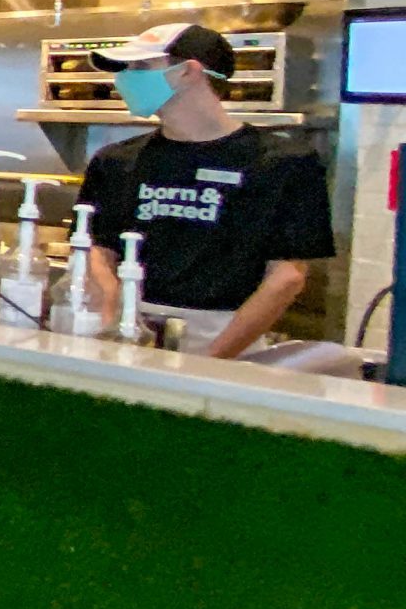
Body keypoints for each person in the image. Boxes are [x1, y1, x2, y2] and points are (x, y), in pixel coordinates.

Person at [80, 22, 335, 360]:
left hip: (229, 339)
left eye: (140, 66)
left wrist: (212, 360)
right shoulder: (114, 161)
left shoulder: (283, 162)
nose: (124, 79)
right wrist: (115, 324)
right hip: (130, 330)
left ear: (188, 72)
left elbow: (287, 276)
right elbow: (97, 251)